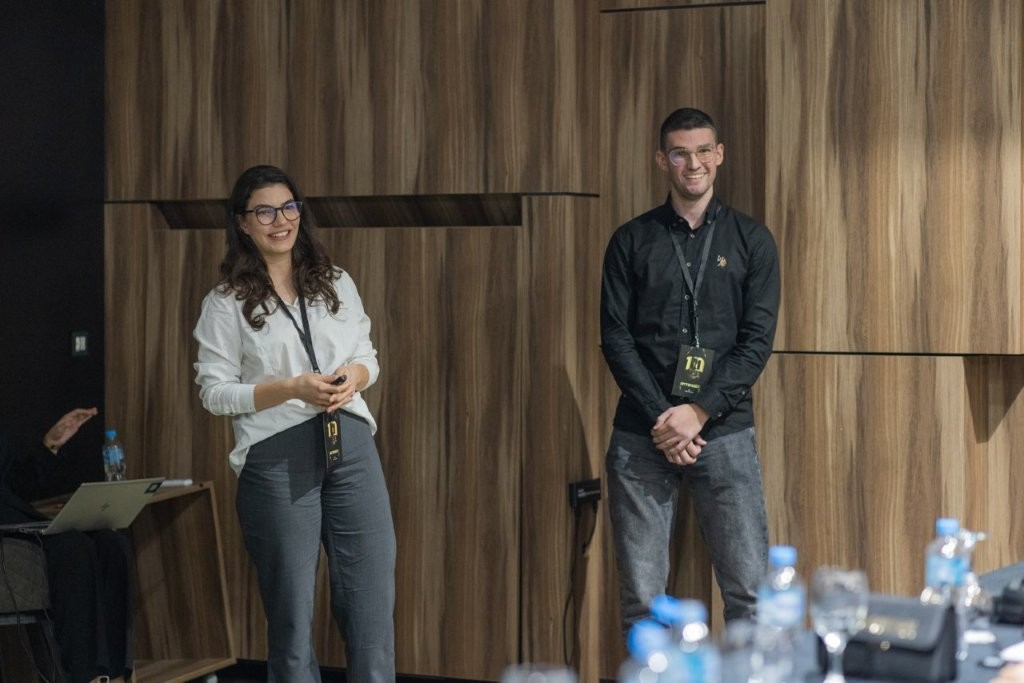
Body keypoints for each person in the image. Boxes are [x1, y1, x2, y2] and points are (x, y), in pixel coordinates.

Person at [193, 165, 396, 681]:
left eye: (288, 207)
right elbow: (215, 393)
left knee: (372, 608)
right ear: (242, 223)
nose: (280, 220)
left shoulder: (335, 282)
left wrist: (353, 377)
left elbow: (367, 355)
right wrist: (290, 388)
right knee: (291, 619)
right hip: (276, 457)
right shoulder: (226, 302)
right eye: (264, 211)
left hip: (351, 445)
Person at [600, 108, 780, 629]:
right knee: (642, 603)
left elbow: (755, 344)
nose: (693, 163)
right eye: (680, 153)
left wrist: (698, 411)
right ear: (663, 160)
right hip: (643, 433)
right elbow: (616, 338)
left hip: (724, 431)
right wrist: (666, 418)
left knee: (750, 595)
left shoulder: (752, 240)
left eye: (703, 151)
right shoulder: (631, 241)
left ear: (719, 155)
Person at [0, 407, 135, 683]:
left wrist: (50, 443)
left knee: (112, 544)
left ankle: (116, 674)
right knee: (73, 547)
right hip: (6, 530)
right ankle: (86, 676)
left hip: (22, 519)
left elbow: (17, 485)